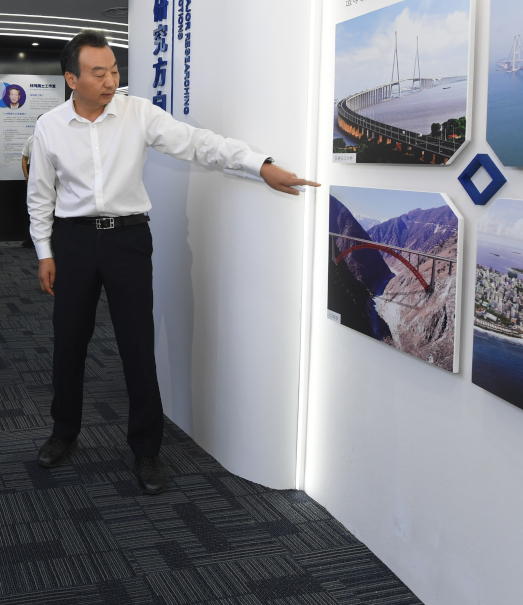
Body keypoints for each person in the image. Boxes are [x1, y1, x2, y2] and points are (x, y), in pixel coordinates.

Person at [27, 30, 318, 495]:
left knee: (138, 346)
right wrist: (45, 251)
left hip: (127, 241)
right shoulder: (49, 126)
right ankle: (63, 431)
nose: (110, 81)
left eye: (114, 71)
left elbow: (198, 143)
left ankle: (147, 450)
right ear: (71, 79)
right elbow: (40, 194)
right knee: (69, 342)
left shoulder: (138, 113)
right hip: (74, 241)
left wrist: (259, 165)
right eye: (98, 73)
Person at [20, 132, 35, 249]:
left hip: (49, 176)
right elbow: (24, 159)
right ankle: (30, 239)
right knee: (30, 207)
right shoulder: (31, 139)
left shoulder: (54, 138)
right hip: (32, 174)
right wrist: (26, 175)